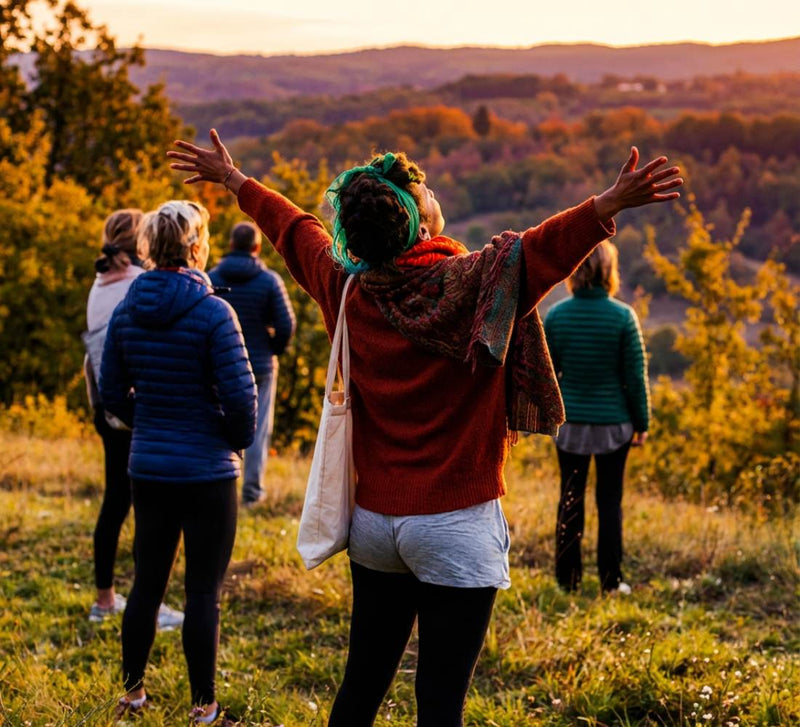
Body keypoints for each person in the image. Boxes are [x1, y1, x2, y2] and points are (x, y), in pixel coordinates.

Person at [168, 130, 681, 726]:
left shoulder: (347, 286)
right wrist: (607, 205)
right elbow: (544, 248)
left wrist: (235, 181)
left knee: (360, 687)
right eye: (423, 191)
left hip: (376, 526)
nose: (430, 189)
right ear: (418, 222)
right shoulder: (479, 285)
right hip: (457, 523)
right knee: (439, 703)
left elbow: (295, 229)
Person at [100, 200, 257, 723]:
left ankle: (132, 694)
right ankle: (204, 705)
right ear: (196, 246)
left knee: (146, 583)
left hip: (149, 467)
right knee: (202, 593)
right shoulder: (215, 312)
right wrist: (229, 439)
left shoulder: (128, 308)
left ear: (149, 246)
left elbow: (110, 392)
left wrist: (147, 419)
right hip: (208, 471)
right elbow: (241, 400)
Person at [83, 209, 184, 632]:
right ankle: (150, 602)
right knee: (148, 510)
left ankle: (105, 598)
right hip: (136, 410)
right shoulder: (136, 285)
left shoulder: (99, 283)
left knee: (114, 503)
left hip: (105, 410)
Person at [544, 241, 649, 594]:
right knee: (610, 502)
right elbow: (634, 378)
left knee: (570, 499)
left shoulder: (557, 315)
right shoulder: (623, 317)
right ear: (609, 270)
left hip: (570, 425)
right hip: (613, 426)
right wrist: (642, 423)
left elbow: (548, 375)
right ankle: (610, 580)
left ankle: (567, 580)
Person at [209, 222, 296, 506]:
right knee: (258, 429)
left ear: (232, 245)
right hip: (259, 363)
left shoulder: (211, 278)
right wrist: (273, 350)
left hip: (219, 365)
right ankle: (252, 492)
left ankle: (220, 485)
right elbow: (286, 324)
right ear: (256, 248)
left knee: (219, 423)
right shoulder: (269, 281)